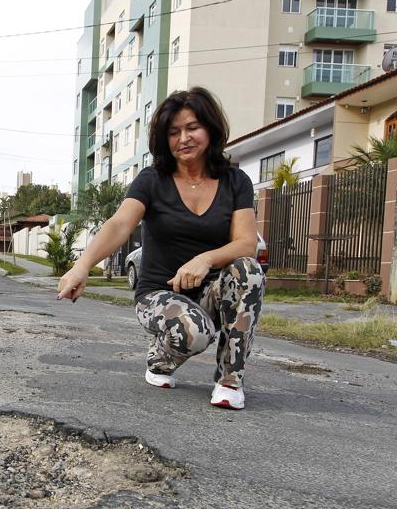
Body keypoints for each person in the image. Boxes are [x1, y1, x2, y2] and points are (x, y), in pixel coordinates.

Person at [58, 87, 265, 410]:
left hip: (211, 290)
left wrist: (204, 259)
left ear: (210, 128)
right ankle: (160, 359)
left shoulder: (235, 181)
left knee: (248, 271)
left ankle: (229, 380)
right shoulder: (152, 180)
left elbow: (246, 243)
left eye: (192, 127)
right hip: (159, 293)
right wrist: (82, 265)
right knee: (194, 333)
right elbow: (119, 224)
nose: (184, 138)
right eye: (174, 132)